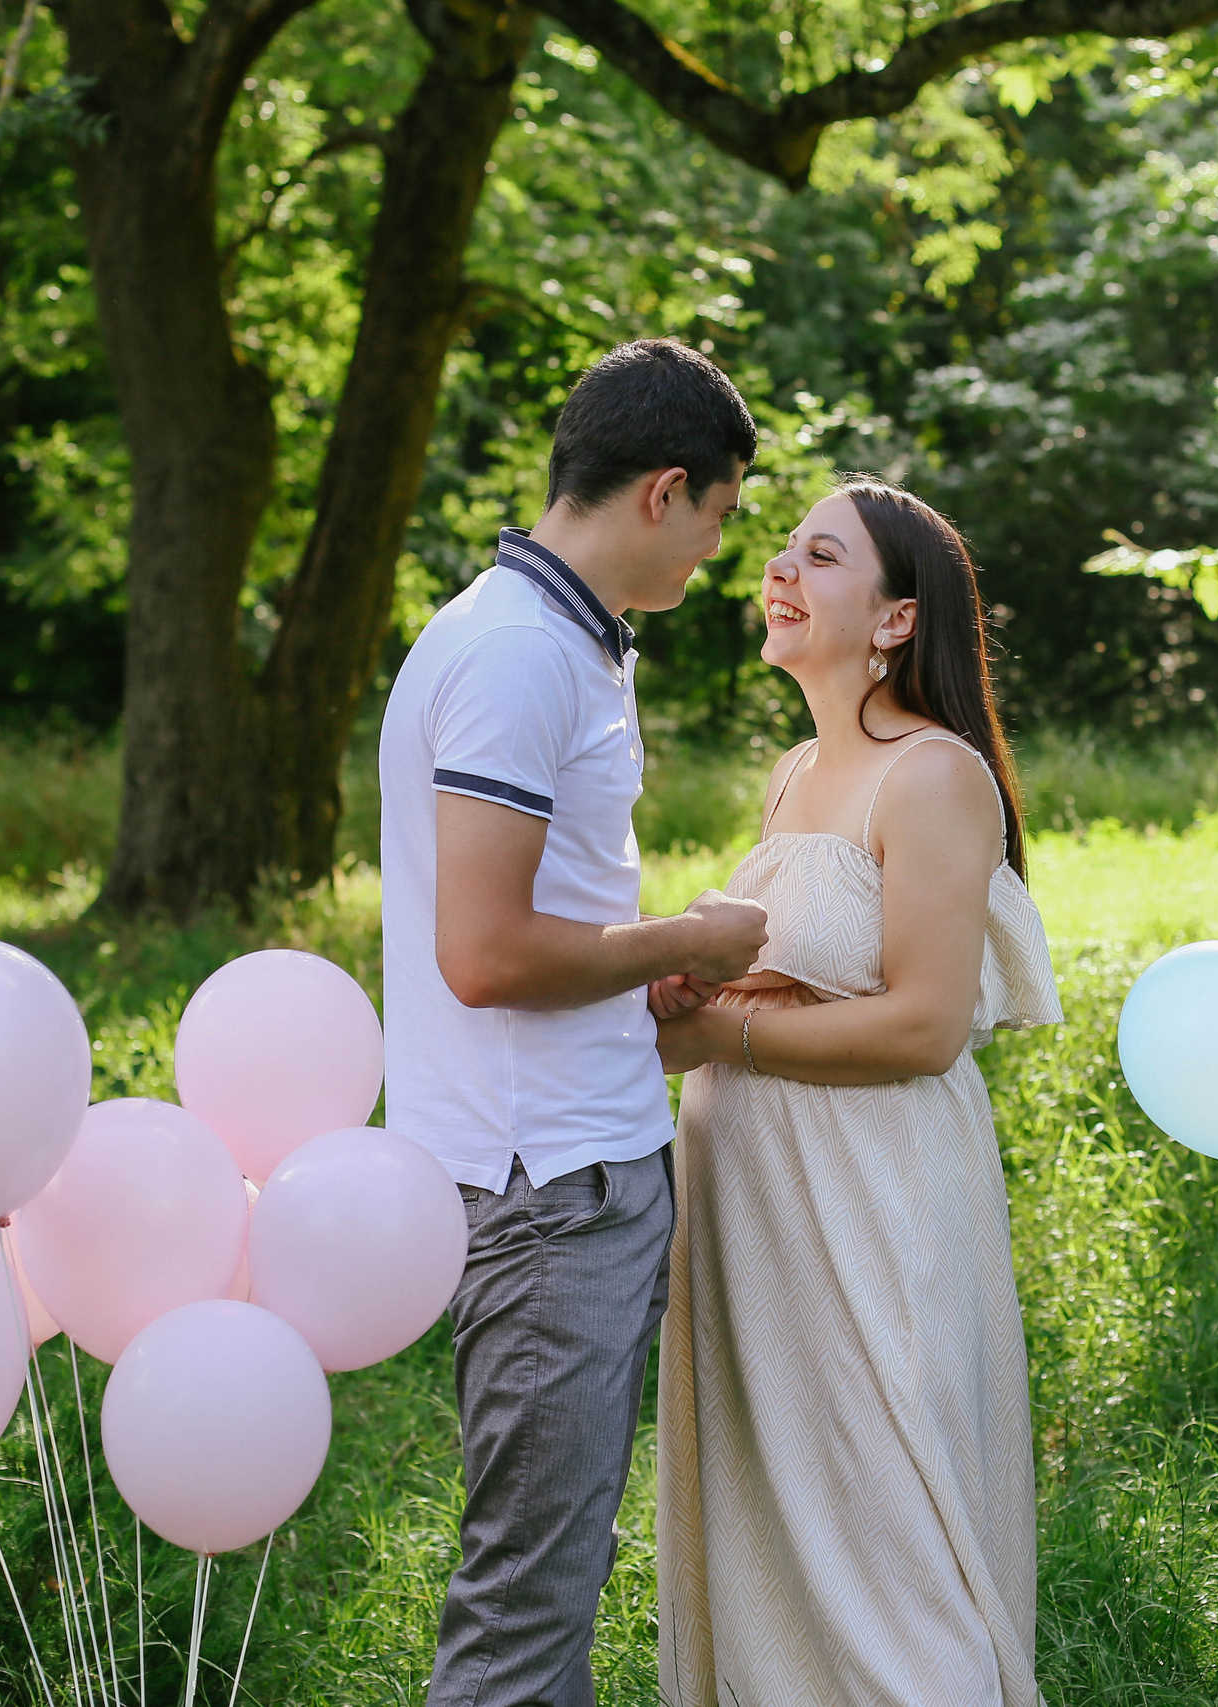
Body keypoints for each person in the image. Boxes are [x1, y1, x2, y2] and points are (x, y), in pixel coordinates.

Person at [379, 338, 771, 1707]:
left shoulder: (569, 643)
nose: (722, 552)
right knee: (527, 1607)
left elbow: (532, 917)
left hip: (576, 1155)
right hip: (545, 1182)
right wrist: (690, 936)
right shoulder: (516, 652)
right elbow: (481, 952)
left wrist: (633, 972)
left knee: (551, 1579)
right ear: (667, 488)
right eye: (725, 516)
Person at [650, 478, 1063, 1706]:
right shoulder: (793, 773)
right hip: (755, 1207)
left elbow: (928, 1023)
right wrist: (696, 987)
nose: (779, 569)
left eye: (819, 556)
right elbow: (805, 974)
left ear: (894, 619)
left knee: (885, 1526)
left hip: (870, 1198)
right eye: (780, 550)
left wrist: (722, 1030)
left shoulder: (931, 776)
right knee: (776, 1523)